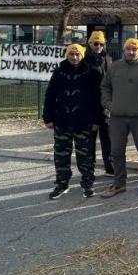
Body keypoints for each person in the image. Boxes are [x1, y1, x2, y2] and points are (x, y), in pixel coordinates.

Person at [99, 38, 138, 199]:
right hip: (117, 117)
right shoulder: (115, 67)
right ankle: (119, 183)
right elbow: (105, 86)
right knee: (117, 151)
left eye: (135, 49)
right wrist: (108, 104)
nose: (131, 52)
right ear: (124, 50)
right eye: (128, 49)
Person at [43, 44, 103, 199]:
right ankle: (62, 184)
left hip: (84, 122)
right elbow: (50, 95)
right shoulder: (59, 72)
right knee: (61, 154)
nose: (74, 57)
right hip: (62, 121)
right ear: (67, 55)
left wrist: (98, 120)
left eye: (77, 54)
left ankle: (87, 184)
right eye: (71, 54)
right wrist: (48, 117)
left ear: (82, 55)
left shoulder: (92, 73)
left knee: (86, 155)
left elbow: (99, 99)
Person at [84, 30, 113, 176]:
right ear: (90, 44)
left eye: (101, 43)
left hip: (106, 106)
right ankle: (89, 168)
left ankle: (110, 167)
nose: (99, 46)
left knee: (107, 139)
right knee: (90, 141)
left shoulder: (108, 59)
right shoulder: (84, 61)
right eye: (96, 43)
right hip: (91, 107)